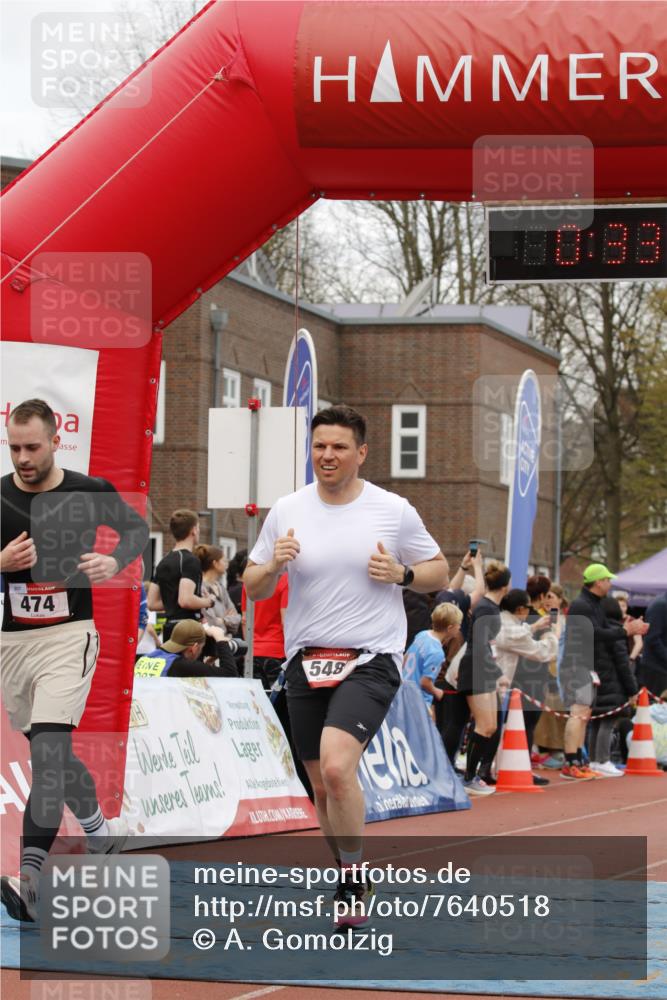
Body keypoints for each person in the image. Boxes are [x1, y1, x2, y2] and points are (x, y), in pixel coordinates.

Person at [243, 404, 448, 927]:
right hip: (305, 659)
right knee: (320, 785)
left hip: (370, 657)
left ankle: (353, 878)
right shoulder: (288, 509)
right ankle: (347, 869)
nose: (327, 456)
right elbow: (253, 584)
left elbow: (438, 571)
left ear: (361, 452)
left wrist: (402, 572)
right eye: (319, 446)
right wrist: (272, 564)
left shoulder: (392, 509)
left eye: (338, 447)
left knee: (338, 767)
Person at [0, 398, 149, 922]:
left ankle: (29, 880)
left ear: (55, 441)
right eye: (14, 447)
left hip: (69, 636)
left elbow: (136, 534)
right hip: (13, 644)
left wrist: (114, 559)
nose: (22, 457)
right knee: (54, 756)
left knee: (47, 755)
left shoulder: (89, 491)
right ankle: (99, 831)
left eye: (32, 447)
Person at [559, 563, 648, 781]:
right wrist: (625, 631)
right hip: (577, 665)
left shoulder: (594, 605)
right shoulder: (582, 605)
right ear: (598, 582)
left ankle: (579, 760)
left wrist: (628, 629)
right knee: (578, 713)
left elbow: (602, 632)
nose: (610, 584)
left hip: (587, 666)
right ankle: (570, 762)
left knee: (585, 714)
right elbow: (593, 634)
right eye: (607, 580)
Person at [448, 561, 512, 796]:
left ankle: (471, 775)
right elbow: (480, 645)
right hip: (476, 668)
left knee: (491, 726)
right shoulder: (486, 607)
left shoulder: (491, 607)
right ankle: (469, 777)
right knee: (484, 726)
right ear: (505, 586)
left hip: (483, 667)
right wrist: (498, 673)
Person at [491, 588, 560, 786]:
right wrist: (550, 634)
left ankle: (486, 770)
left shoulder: (503, 619)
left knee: (492, 727)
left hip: (500, 680)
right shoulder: (507, 624)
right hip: (498, 681)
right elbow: (540, 652)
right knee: (490, 727)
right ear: (520, 608)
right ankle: (483, 771)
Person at [587, 596, 638, 776]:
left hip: (596, 680)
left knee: (596, 722)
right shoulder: (616, 632)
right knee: (607, 722)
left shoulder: (596, 629)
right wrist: (633, 689)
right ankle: (603, 760)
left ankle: (593, 761)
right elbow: (623, 664)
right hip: (612, 681)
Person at [147, 509, 215, 641]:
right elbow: (185, 600)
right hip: (187, 628)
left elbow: (152, 603)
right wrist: (208, 601)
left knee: (173, 662)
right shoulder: (190, 560)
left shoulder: (163, 562)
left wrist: (172, 602)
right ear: (194, 530)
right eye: (199, 528)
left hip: (169, 628)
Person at [403, 603, 463, 715]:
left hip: (404, 691)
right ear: (450, 628)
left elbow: (405, 659)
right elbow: (425, 682)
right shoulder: (436, 652)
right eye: (458, 624)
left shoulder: (423, 634)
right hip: (418, 700)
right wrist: (437, 692)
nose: (460, 627)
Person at [134, 619, 238, 678]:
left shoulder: (145, 658)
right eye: (201, 648)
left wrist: (207, 665)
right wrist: (220, 639)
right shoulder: (180, 665)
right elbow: (230, 675)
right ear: (194, 648)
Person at [196, 544, 242, 635]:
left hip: (226, 641)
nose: (227, 563)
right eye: (224, 560)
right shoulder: (201, 588)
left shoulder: (221, 587)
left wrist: (222, 620)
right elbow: (211, 622)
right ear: (215, 563)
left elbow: (237, 618)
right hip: (211, 644)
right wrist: (227, 620)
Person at [641, 591, 667, 697]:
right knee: (656, 711)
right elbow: (652, 638)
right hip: (657, 670)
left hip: (662, 668)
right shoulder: (660, 605)